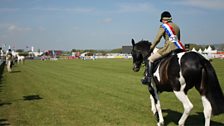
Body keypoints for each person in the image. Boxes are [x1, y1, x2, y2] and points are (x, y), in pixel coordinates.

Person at [141, 11, 185, 84]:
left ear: (164, 19)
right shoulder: (177, 26)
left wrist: (151, 47)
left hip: (168, 48)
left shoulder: (163, 26)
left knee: (150, 59)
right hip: (179, 48)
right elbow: (178, 38)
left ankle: (148, 78)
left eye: (162, 21)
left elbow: (157, 39)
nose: (162, 22)